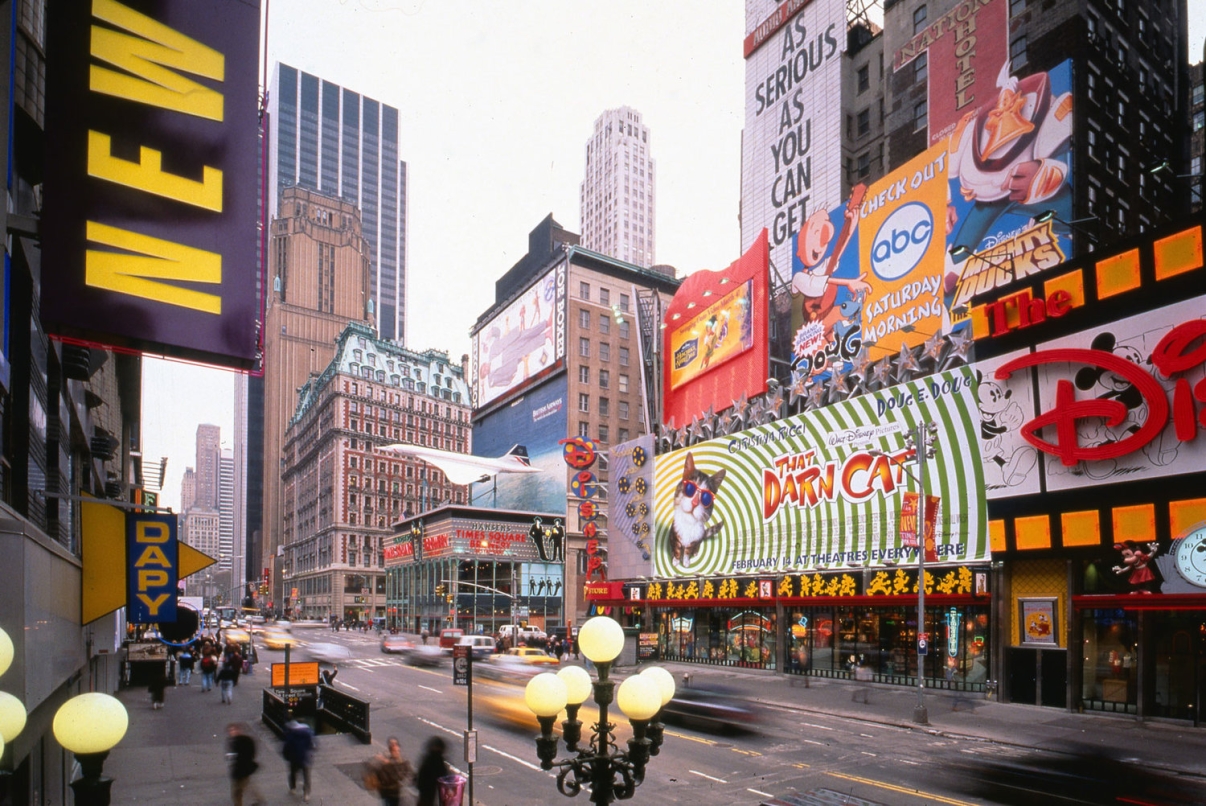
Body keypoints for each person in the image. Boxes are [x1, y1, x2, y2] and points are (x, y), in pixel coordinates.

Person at [227, 722, 265, 806]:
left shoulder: (245, 740)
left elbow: (250, 754)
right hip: (239, 770)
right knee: (245, 786)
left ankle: (257, 800)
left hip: (243, 769)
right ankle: (258, 799)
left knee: (238, 790)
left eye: (233, 730)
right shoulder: (233, 741)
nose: (232, 732)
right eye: (230, 730)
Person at [370, 736, 415, 806]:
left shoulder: (403, 761)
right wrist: (378, 762)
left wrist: (388, 764)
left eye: (396, 745)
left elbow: (404, 776)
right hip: (387, 793)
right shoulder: (384, 758)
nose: (394, 747)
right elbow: (376, 773)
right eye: (392, 746)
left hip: (398, 793)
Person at [282, 718, 316, 802]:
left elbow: (286, 747)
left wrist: (286, 756)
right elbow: (312, 745)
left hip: (294, 757)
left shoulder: (291, 735)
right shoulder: (308, 733)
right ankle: (306, 793)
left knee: (293, 773)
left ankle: (293, 788)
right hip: (305, 757)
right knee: (306, 776)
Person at [414, 736, 450, 806]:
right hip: (433, 796)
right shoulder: (440, 762)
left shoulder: (427, 760)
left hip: (426, 796)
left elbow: (420, 779)